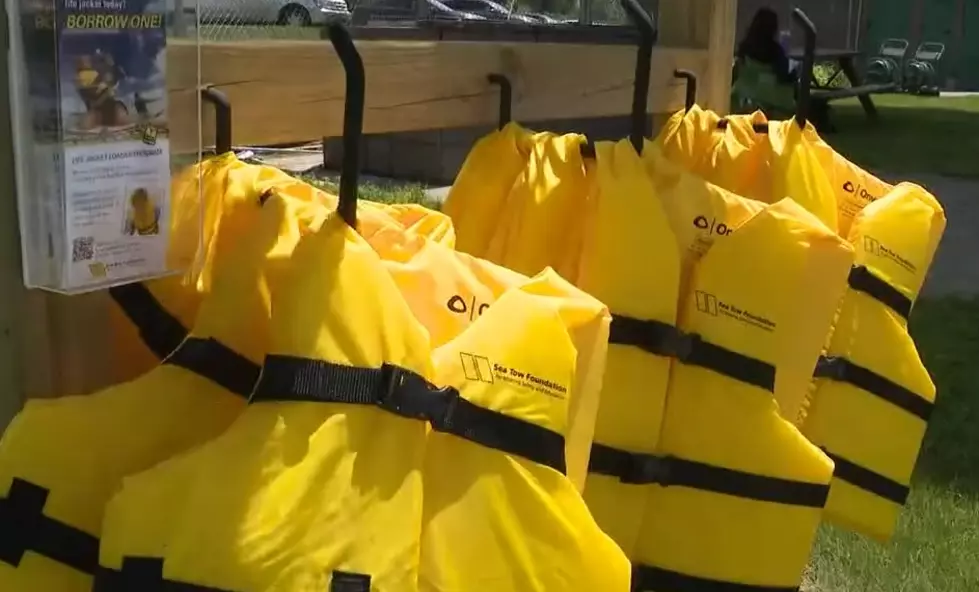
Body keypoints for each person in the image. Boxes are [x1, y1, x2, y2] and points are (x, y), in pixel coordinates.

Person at [737, 7, 795, 85]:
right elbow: (786, 75)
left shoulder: (744, 48)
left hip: (744, 93)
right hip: (771, 95)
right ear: (773, 28)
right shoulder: (776, 51)